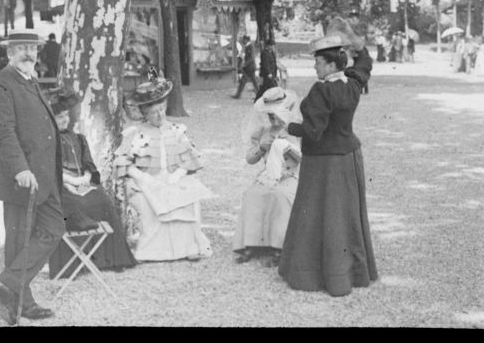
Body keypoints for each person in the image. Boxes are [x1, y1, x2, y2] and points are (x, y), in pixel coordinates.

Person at [277, 33, 377, 297]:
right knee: (344, 215)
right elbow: (365, 62)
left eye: (319, 62)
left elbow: (313, 131)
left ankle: (314, 273)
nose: (315, 67)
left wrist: (287, 125)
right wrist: (358, 44)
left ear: (332, 65)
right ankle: (349, 271)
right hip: (349, 156)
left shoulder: (322, 90)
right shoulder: (353, 82)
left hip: (324, 162)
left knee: (322, 215)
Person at [0, 31, 65, 325]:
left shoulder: (29, 78)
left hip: (45, 177)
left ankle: (8, 284)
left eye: (32, 48)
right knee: (19, 242)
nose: (28, 53)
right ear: (9, 52)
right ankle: (21, 304)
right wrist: (20, 168)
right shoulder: (1, 84)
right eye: (21, 48)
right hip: (22, 178)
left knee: (54, 227)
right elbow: (4, 132)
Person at [113, 76, 213, 261]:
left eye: (161, 109)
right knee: (147, 200)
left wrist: (177, 175)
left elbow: (189, 158)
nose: (160, 115)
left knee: (189, 196)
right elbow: (123, 162)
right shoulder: (136, 133)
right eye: (153, 112)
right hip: (146, 180)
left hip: (173, 177)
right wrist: (145, 179)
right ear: (145, 113)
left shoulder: (176, 130)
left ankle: (188, 247)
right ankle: (151, 252)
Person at [47, 90, 137, 278]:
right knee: (75, 204)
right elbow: (49, 168)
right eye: (59, 117)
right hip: (62, 184)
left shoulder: (79, 138)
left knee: (103, 200)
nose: (63, 120)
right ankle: (72, 263)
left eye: (65, 116)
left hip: (83, 182)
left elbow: (88, 163)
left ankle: (111, 259)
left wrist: (86, 178)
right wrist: (71, 181)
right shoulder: (48, 141)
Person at [233, 87, 301, 267]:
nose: (275, 120)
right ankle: (251, 243)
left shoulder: (294, 131)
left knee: (281, 196)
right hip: (268, 175)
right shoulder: (264, 132)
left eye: (278, 116)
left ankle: (280, 246)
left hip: (290, 175)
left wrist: (286, 147)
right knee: (252, 194)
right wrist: (262, 147)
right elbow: (250, 159)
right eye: (271, 116)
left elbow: (301, 160)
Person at [232, 34, 259, 99]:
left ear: (246, 40)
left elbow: (251, 58)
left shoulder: (250, 46)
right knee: (244, 81)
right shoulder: (248, 46)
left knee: (252, 82)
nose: (242, 41)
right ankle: (238, 95)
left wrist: (245, 64)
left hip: (250, 67)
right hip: (249, 67)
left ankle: (238, 95)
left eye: (243, 40)